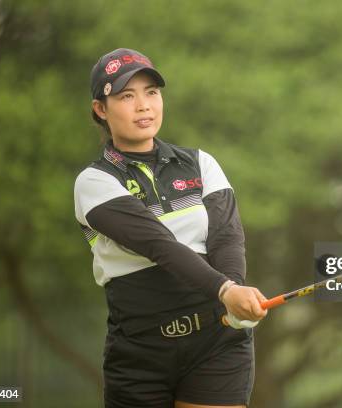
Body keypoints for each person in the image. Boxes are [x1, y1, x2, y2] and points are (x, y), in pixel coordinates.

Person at [73, 48, 268, 408]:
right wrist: (226, 291)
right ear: (101, 109)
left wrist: (235, 301)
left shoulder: (200, 163)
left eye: (151, 93)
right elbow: (157, 243)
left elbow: (226, 237)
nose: (143, 105)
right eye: (126, 96)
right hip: (139, 351)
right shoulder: (94, 181)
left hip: (217, 341)